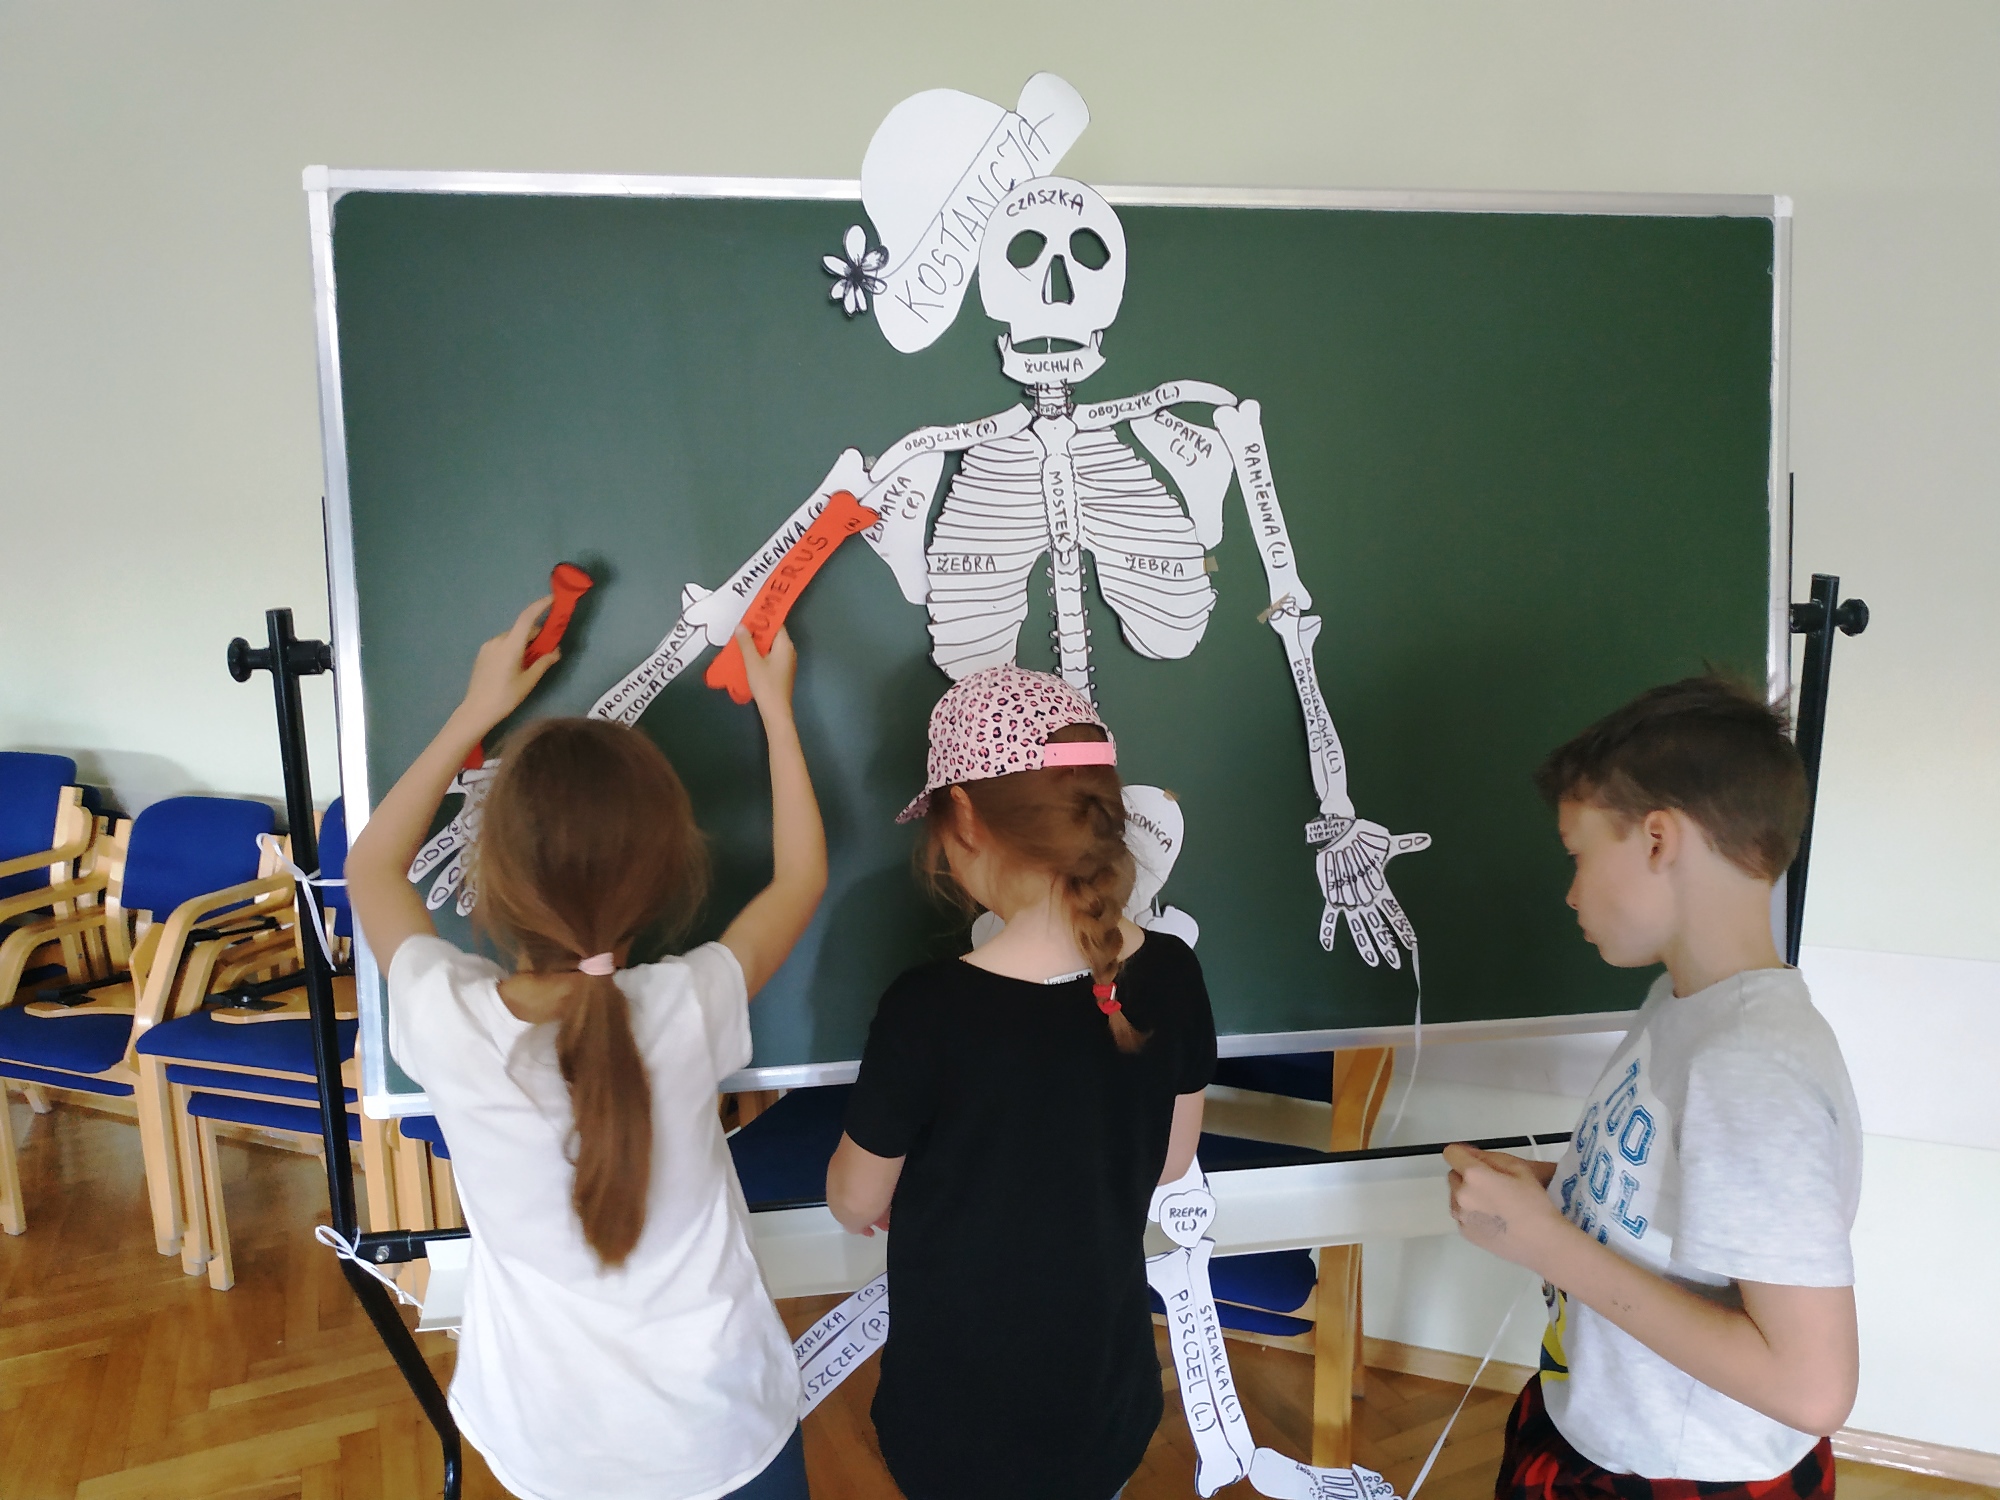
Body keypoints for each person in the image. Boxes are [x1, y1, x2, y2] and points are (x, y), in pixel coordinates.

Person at [346, 598, 826, 1500]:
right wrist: (776, 708)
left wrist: (474, 713)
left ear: (489, 877)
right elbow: (801, 877)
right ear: (669, 876)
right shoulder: (686, 1006)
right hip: (724, 1428)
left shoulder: (445, 1020)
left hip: (551, 1443)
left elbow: (371, 867)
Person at [1443, 675, 1861, 1499]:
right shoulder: (1681, 1005)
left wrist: (1546, 1243)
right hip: (1603, 1421)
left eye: (1578, 854)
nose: (1570, 890)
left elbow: (1811, 1387)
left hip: (1680, 1475)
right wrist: (1560, 1191)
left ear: (1659, 839)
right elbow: (1676, 1208)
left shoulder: (1749, 1068)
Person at [825, 664, 1215, 1500]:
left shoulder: (926, 1009)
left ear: (964, 815)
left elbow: (855, 1201)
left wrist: (895, 1188)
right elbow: (1172, 1159)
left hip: (954, 1421)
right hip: (1104, 1398)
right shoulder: (1173, 973)